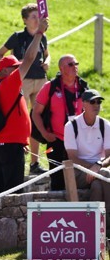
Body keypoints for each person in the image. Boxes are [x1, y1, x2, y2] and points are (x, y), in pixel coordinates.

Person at [0, 17, 49, 195]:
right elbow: (30, 58)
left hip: (3, 146)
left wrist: (20, 140)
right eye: (14, 68)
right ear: (5, 71)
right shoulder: (9, 82)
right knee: (13, 195)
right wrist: (39, 33)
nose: (18, 70)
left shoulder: (2, 87)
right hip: (8, 148)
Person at [32, 55, 88, 190]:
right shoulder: (50, 87)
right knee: (57, 180)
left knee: (79, 181)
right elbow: (36, 113)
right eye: (71, 64)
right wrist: (45, 133)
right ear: (61, 69)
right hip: (55, 141)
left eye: (76, 63)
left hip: (77, 142)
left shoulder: (83, 87)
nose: (75, 67)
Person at [64, 89, 110, 229]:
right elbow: (72, 158)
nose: (96, 105)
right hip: (79, 171)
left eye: (99, 102)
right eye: (92, 102)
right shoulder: (71, 126)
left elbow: (109, 156)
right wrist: (93, 168)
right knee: (106, 174)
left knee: (97, 185)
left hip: (99, 169)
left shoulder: (105, 124)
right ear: (83, 104)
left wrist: (98, 165)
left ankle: (95, 228)